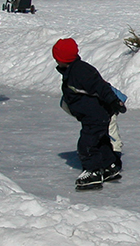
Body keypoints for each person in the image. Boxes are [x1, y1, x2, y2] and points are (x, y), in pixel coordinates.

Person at [53, 38, 127, 191]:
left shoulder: (81, 71)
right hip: (92, 115)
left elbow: (101, 86)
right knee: (101, 141)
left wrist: (114, 101)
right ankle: (109, 167)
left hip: (95, 115)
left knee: (87, 144)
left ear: (62, 59)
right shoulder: (73, 70)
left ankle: (92, 171)